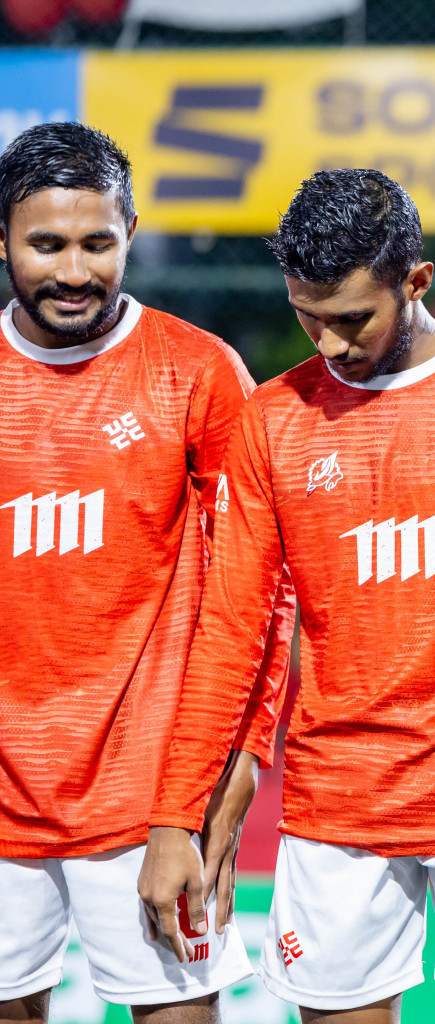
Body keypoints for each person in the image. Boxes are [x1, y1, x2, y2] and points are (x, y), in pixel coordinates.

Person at [138, 169, 435, 1024]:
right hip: (336, 808)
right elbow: (231, 630)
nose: (327, 342)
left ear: (417, 281)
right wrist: (177, 812)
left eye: (352, 318)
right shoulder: (272, 419)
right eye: (306, 316)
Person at [0, 123, 293, 1021]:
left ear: (131, 230)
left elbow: (262, 590)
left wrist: (242, 758)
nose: (75, 270)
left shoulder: (197, 373)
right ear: (3, 242)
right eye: (46, 244)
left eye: (99, 242)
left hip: (153, 800)